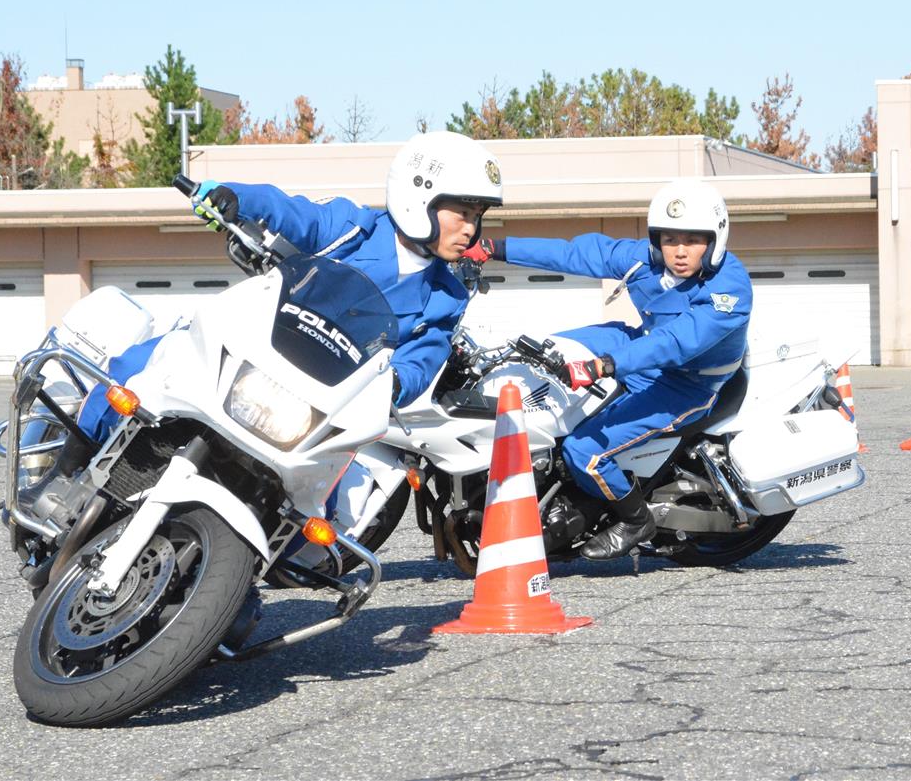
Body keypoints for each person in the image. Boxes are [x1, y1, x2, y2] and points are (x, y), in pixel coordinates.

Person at [75, 131, 503, 524]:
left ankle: (235, 581)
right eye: (462, 212)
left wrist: (395, 383)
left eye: (477, 216)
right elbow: (294, 214)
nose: (471, 228)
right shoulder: (354, 228)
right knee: (144, 372)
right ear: (418, 198)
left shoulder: (446, 294)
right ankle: (67, 473)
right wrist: (235, 198)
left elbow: (425, 354)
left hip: (320, 399)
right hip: (262, 355)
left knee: (312, 510)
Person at [463, 177, 752, 560]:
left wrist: (604, 366)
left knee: (585, 452)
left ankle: (634, 520)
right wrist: (495, 247)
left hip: (688, 384)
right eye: (669, 239)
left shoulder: (729, 290)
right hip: (636, 346)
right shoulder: (646, 262)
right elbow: (577, 254)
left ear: (714, 240)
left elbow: (677, 342)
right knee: (546, 356)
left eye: (692, 240)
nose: (679, 252)